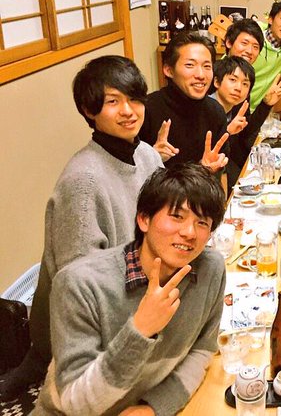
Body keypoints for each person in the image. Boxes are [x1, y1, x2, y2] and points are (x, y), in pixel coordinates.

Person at [0, 56, 164, 402]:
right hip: (94, 327)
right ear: (89, 110)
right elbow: (80, 289)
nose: (128, 111)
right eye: (113, 101)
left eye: (134, 99)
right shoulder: (84, 182)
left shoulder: (147, 156)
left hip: (141, 291)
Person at [33, 163, 227, 415]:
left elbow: (203, 349)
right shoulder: (80, 284)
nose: (189, 232)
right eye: (177, 216)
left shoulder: (210, 270)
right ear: (144, 219)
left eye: (202, 223)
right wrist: (141, 329)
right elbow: (76, 404)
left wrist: (155, 407)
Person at [139, 32, 229, 173]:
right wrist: (152, 157)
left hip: (201, 186)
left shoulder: (215, 111)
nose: (200, 75)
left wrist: (207, 169)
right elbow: (128, 173)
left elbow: (219, 167)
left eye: (207, 66)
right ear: (168, 70)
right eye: (190, 65)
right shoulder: (146, 109)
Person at [210, 56, 281, 189]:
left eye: (245, 84)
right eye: (233, 80)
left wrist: (266, 105)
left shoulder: (235, 106)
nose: (238, 88)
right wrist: (227, 132)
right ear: (216, 82)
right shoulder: (206, 109)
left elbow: (246, 131)